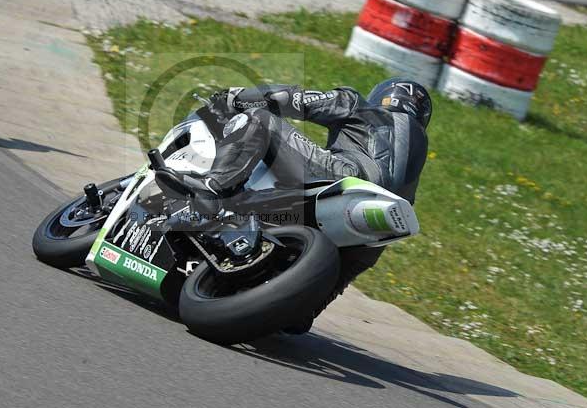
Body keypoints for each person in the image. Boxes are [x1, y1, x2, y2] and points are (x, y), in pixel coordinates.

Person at [184, 77, 432, 333]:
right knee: (359, 258)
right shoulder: (417, 151)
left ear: (381, 95)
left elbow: (288, 99)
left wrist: (233, 97)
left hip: (345, 176)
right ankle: (310, 304)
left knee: (261, 119)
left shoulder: (360, 106)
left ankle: (212, 191)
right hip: (377, 223)